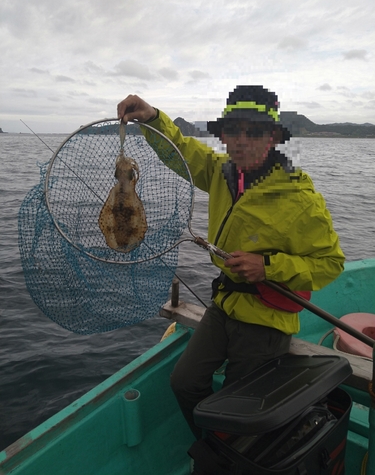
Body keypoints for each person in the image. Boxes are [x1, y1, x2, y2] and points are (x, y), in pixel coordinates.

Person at [117, 85, 345, 439]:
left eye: (252, 132)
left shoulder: (300, 199)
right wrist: (153, 119)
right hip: (225, 306)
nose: (240, 141)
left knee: (242, 407)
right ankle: (217, 447)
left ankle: (233, 452)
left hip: (266, 321)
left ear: (271, 137)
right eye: (232, 131)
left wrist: (268, 267)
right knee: (184, 381)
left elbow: (331, 263)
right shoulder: (224, 172)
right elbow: (182, 155)